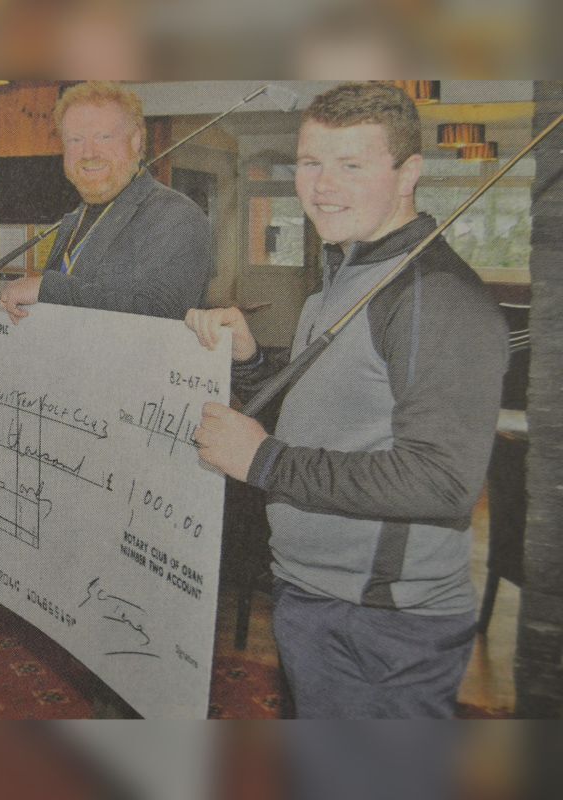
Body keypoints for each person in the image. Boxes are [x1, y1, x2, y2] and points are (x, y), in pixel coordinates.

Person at [185, 82, 507, 718]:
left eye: (351, 165)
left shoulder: (435, 298)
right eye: (310, 163)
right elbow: (336, 409)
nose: (321, 186)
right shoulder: (347, 269)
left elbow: (442, 482)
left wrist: (264, 463)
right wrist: (252, 362)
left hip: (380, 622)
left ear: (408, 172)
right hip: (317, 595)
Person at [0, 80, 212, 323]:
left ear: (135, 141)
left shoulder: (176, 216)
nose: (88, 153)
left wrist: (49, 288)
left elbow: (162, 314)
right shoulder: (74, 220)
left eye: (103, 137)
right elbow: (54, 323)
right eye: (76, 140)